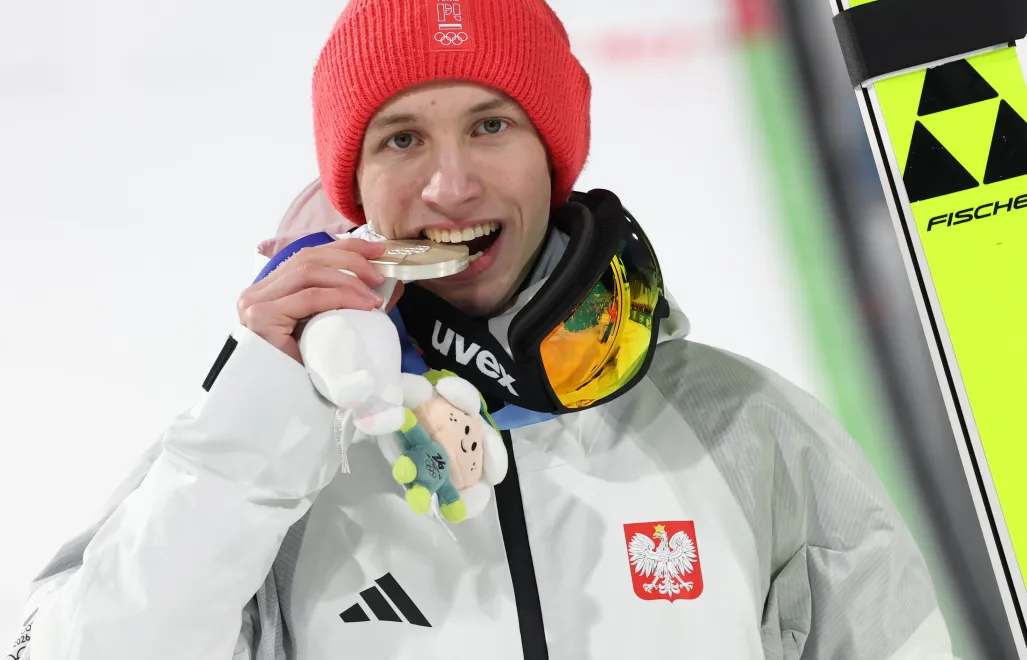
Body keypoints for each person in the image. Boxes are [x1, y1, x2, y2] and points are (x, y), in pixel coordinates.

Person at [9, 0, 958, 658]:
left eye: (491, 126)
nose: (449, 184)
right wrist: (265, 406)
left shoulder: (743, 429)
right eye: (402, 138)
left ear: (554, 157)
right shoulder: (264, 448)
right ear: (352, 190)